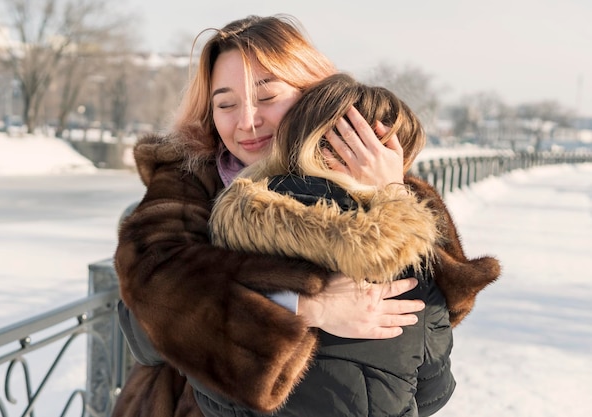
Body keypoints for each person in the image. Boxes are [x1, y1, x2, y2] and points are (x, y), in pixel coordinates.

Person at [113, 14, 500, 417]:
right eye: (226, 104)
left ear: (310, 92)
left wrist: (390, 195)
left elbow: (444, 309)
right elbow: (141, 320)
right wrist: (302, 306)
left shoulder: (367, 172)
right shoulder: (188, 181)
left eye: (267, 97)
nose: (247, 121)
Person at [199, 72, 456, 417]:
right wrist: (394, 196)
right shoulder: (409, 260)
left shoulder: (224, 230)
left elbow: (171, 333)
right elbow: (433, 393)